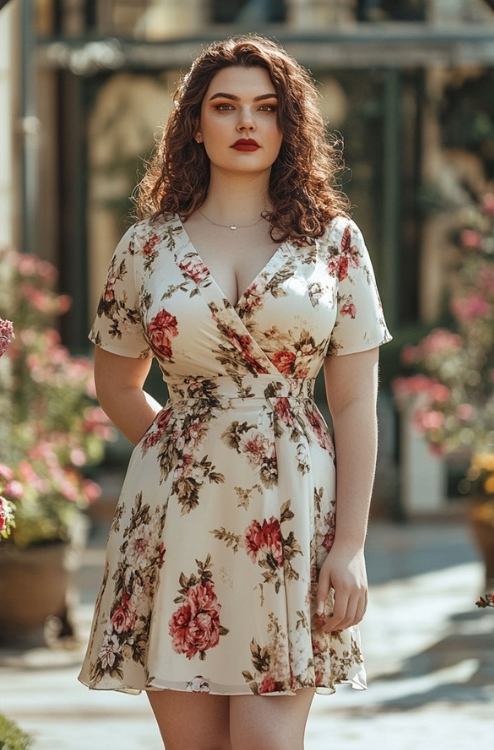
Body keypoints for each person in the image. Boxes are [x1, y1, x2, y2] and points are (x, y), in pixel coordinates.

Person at [78, 34, 392, 750]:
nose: (247, 123)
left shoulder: (335, 243)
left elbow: (351, 404)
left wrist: (351, 544)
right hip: (176, 521)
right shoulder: (145, 245)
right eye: (226, 107)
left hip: (295, 519)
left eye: (266, 108)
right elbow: (117, 385)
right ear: (196, 123)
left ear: (290, 124)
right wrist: (190, 453)